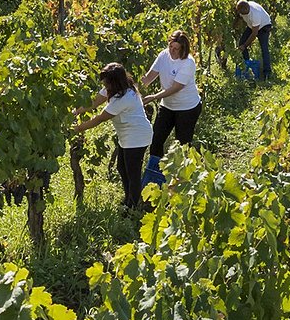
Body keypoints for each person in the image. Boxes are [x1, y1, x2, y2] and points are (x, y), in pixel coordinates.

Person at [74, 62, 153, 211]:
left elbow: (100, 118)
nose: (105, 86)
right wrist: (76, 112)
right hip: (127, 135)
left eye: (107, 82)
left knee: (132, 173)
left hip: (137, 137)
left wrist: (77, 129)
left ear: (114, 82)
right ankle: (129, 200)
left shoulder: (125, 97)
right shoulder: (115, 87)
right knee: (122, 168)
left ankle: (133, 208)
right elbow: (94, 102)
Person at [141, 30, 202, 162]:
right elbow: (149, 77)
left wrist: (154, 97)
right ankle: (156, 170)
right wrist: (134, 87)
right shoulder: (164, 55)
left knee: (182, 145)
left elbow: (176, 87)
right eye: (170, 46)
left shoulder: (188, 62)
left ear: (183, 49)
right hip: (168, 106)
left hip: (187, 108)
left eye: (176, 49)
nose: (172, 51)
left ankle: (181, 176)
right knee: (156, 139)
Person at [235, 0, 272, 82]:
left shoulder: (255, 14)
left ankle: (267, 73)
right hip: (252, 25)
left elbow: (254, 33)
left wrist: (244, 46)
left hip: (264, 26)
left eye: (241, 12)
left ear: (246, 9)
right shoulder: (242, 9)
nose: (240, 13)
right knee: (241, 42)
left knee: (264, 48)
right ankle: (246, 66)